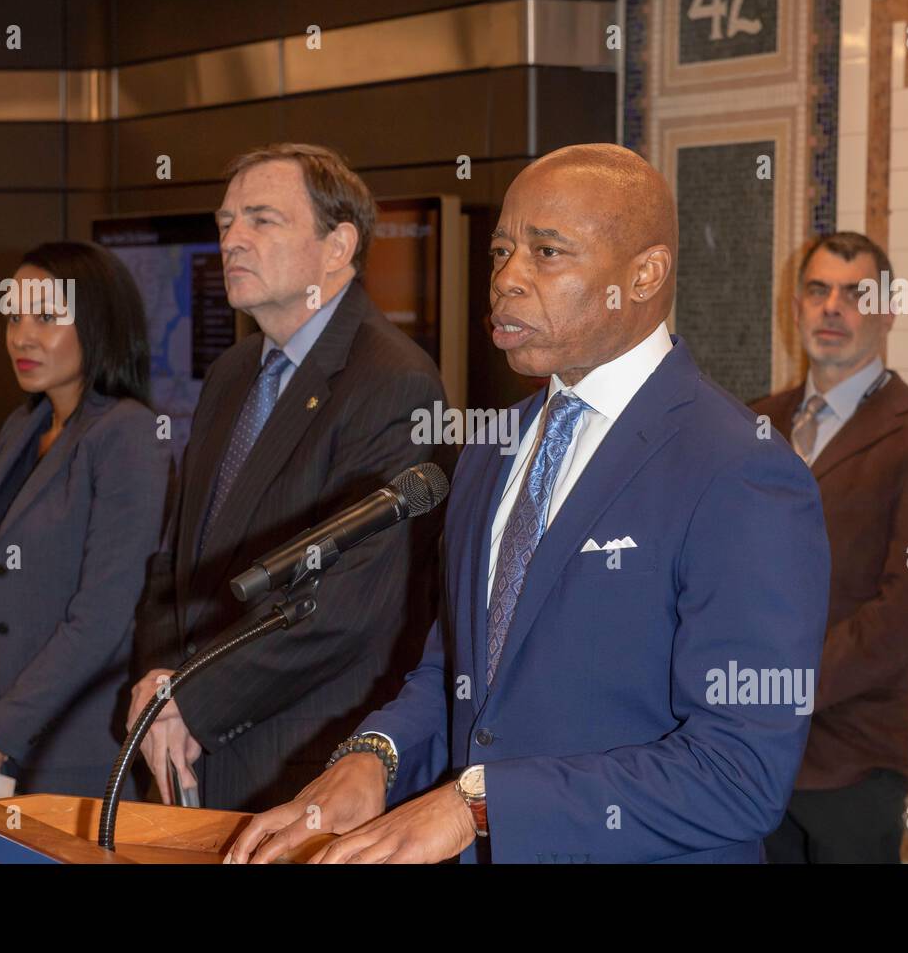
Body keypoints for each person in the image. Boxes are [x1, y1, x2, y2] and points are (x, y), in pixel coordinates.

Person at [225, 143, 829, 864]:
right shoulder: (493, 444)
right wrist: (375, 758)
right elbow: (455, 669)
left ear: (644, 275)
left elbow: (739, 775)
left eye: (546, 252)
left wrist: (478, 805)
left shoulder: (741, 470)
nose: (507, 280)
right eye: (501, 252)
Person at [128, 143, 452, 811]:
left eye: (261, 220)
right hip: (189, 751)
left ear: (337, 246)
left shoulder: (394, 380)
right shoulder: (231, 372)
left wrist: (193, 701)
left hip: (295, 763)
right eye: (225, 223)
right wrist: (160, 683)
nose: (232, 241)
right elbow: (177, 561)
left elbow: (355, 608)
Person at [753, 231, 908, 863]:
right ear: (794, 305)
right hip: (745, 755)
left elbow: (905, 613)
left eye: (856, 294)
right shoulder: (752, 426)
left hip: (851, 765)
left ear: (888, 312)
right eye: (818, 290)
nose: (833, 308)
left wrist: (778, 688)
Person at [0, 241, 169, 798]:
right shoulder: (21, 428)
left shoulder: (126, 434)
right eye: (13, 316)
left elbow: (103, 618)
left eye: (47, 317)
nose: (21, 336)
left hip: (70, 752)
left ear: (97, 322)